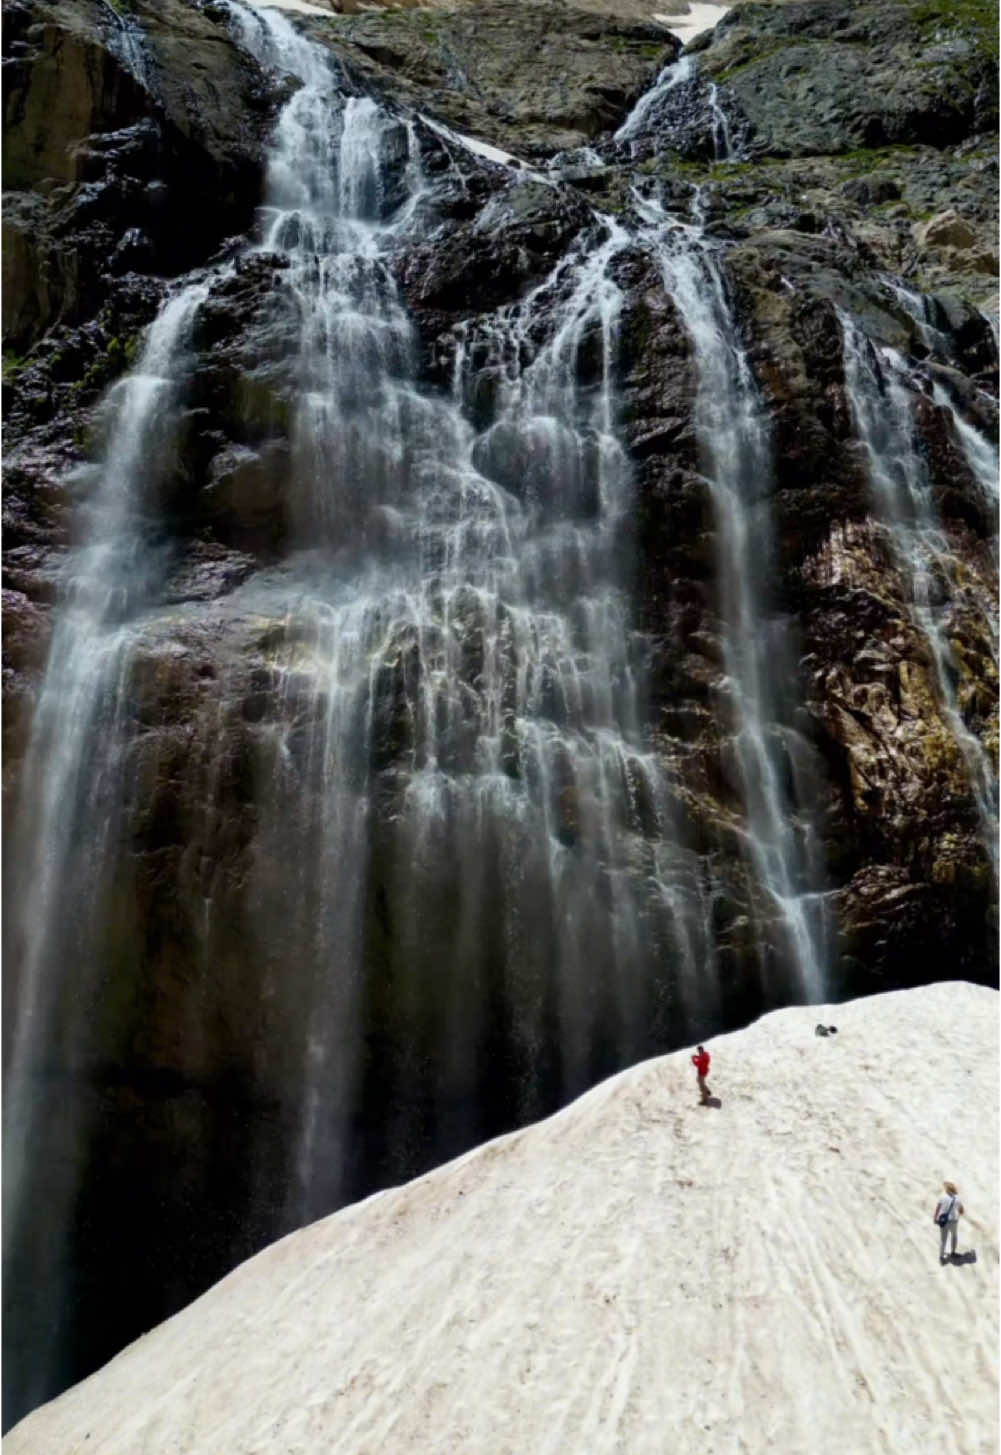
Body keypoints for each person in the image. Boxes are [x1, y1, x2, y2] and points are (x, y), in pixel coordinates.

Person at [933, 1180, 964, 1262]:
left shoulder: (942, 1197)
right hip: (954, 1220)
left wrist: (935, 1218)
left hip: (943, 1220)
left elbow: (937, 1209)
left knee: (943, 1239)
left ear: (946, 1189)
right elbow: (961, 1211)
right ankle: (953, 1253)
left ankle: (941, 1257)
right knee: (954, 1236)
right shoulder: (958, 1198)